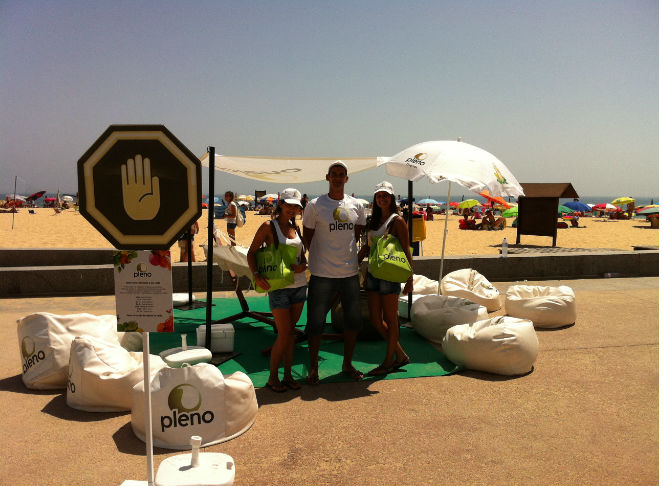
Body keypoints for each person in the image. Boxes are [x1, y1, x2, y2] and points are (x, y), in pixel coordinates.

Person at [302, 161, 366, 384]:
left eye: (341, 175)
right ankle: (313, 368)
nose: (338, 178)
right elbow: (307, 236)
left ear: (347, 179)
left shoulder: (356, 205)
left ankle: (347, 364)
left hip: (349, 273)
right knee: (316, 322)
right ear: (327, 177)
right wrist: (320, 257)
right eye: (334, 174)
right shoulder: (315, 205)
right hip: (322, 274)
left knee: (353, 321)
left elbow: (356, 234)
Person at [247, 188, 308, 392]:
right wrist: (256, 275)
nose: (292, 209)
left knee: (290, 334)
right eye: (288, 204)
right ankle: (273, 377)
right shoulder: (268, 226)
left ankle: (288, 376)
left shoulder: (295, 228)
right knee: (284, 334)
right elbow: (251, 253)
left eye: (295, 206)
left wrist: (303, 266)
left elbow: (302, 257)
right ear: (280, 204)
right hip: (279, 287)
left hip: (299, 286)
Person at [357, 181, 413, 376]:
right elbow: (367, 247)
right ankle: (400, 354)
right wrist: (354, 263)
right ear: (375, 199)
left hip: (389, 276)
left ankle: (388, 362)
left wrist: (410, 278)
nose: (382, 199)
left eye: (385, 196)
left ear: (392, 198)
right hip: (373, 273)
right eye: (379, 196)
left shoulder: (397, 221)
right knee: (375, 319)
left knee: (391, 319)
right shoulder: (372, 220)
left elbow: (406, 250)